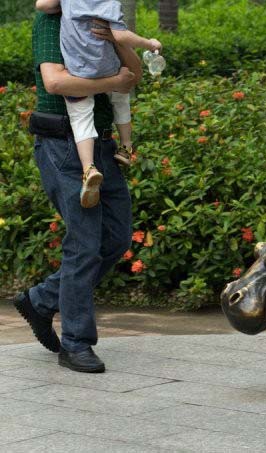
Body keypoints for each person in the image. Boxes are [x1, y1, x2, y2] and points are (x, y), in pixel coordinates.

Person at [9, 9, 141, 373]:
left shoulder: (102, 16)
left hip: (102, 146)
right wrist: (111, 80)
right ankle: (76, 343)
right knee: (84, 242)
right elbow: (56, 83)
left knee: (115, 237)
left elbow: (133, 78)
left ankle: (42, 299)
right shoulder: (51, 21)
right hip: (62, 145)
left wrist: (117, 41)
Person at [35, 0, 160, 208]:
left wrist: (115, 41)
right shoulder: (109, 5)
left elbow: (43, 4)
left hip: (79, 72)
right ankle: (126, 145)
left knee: (81, 116)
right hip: (106, 72)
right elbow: (55, 83)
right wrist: (149, 44)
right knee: (121, 96)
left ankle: (89, 169)